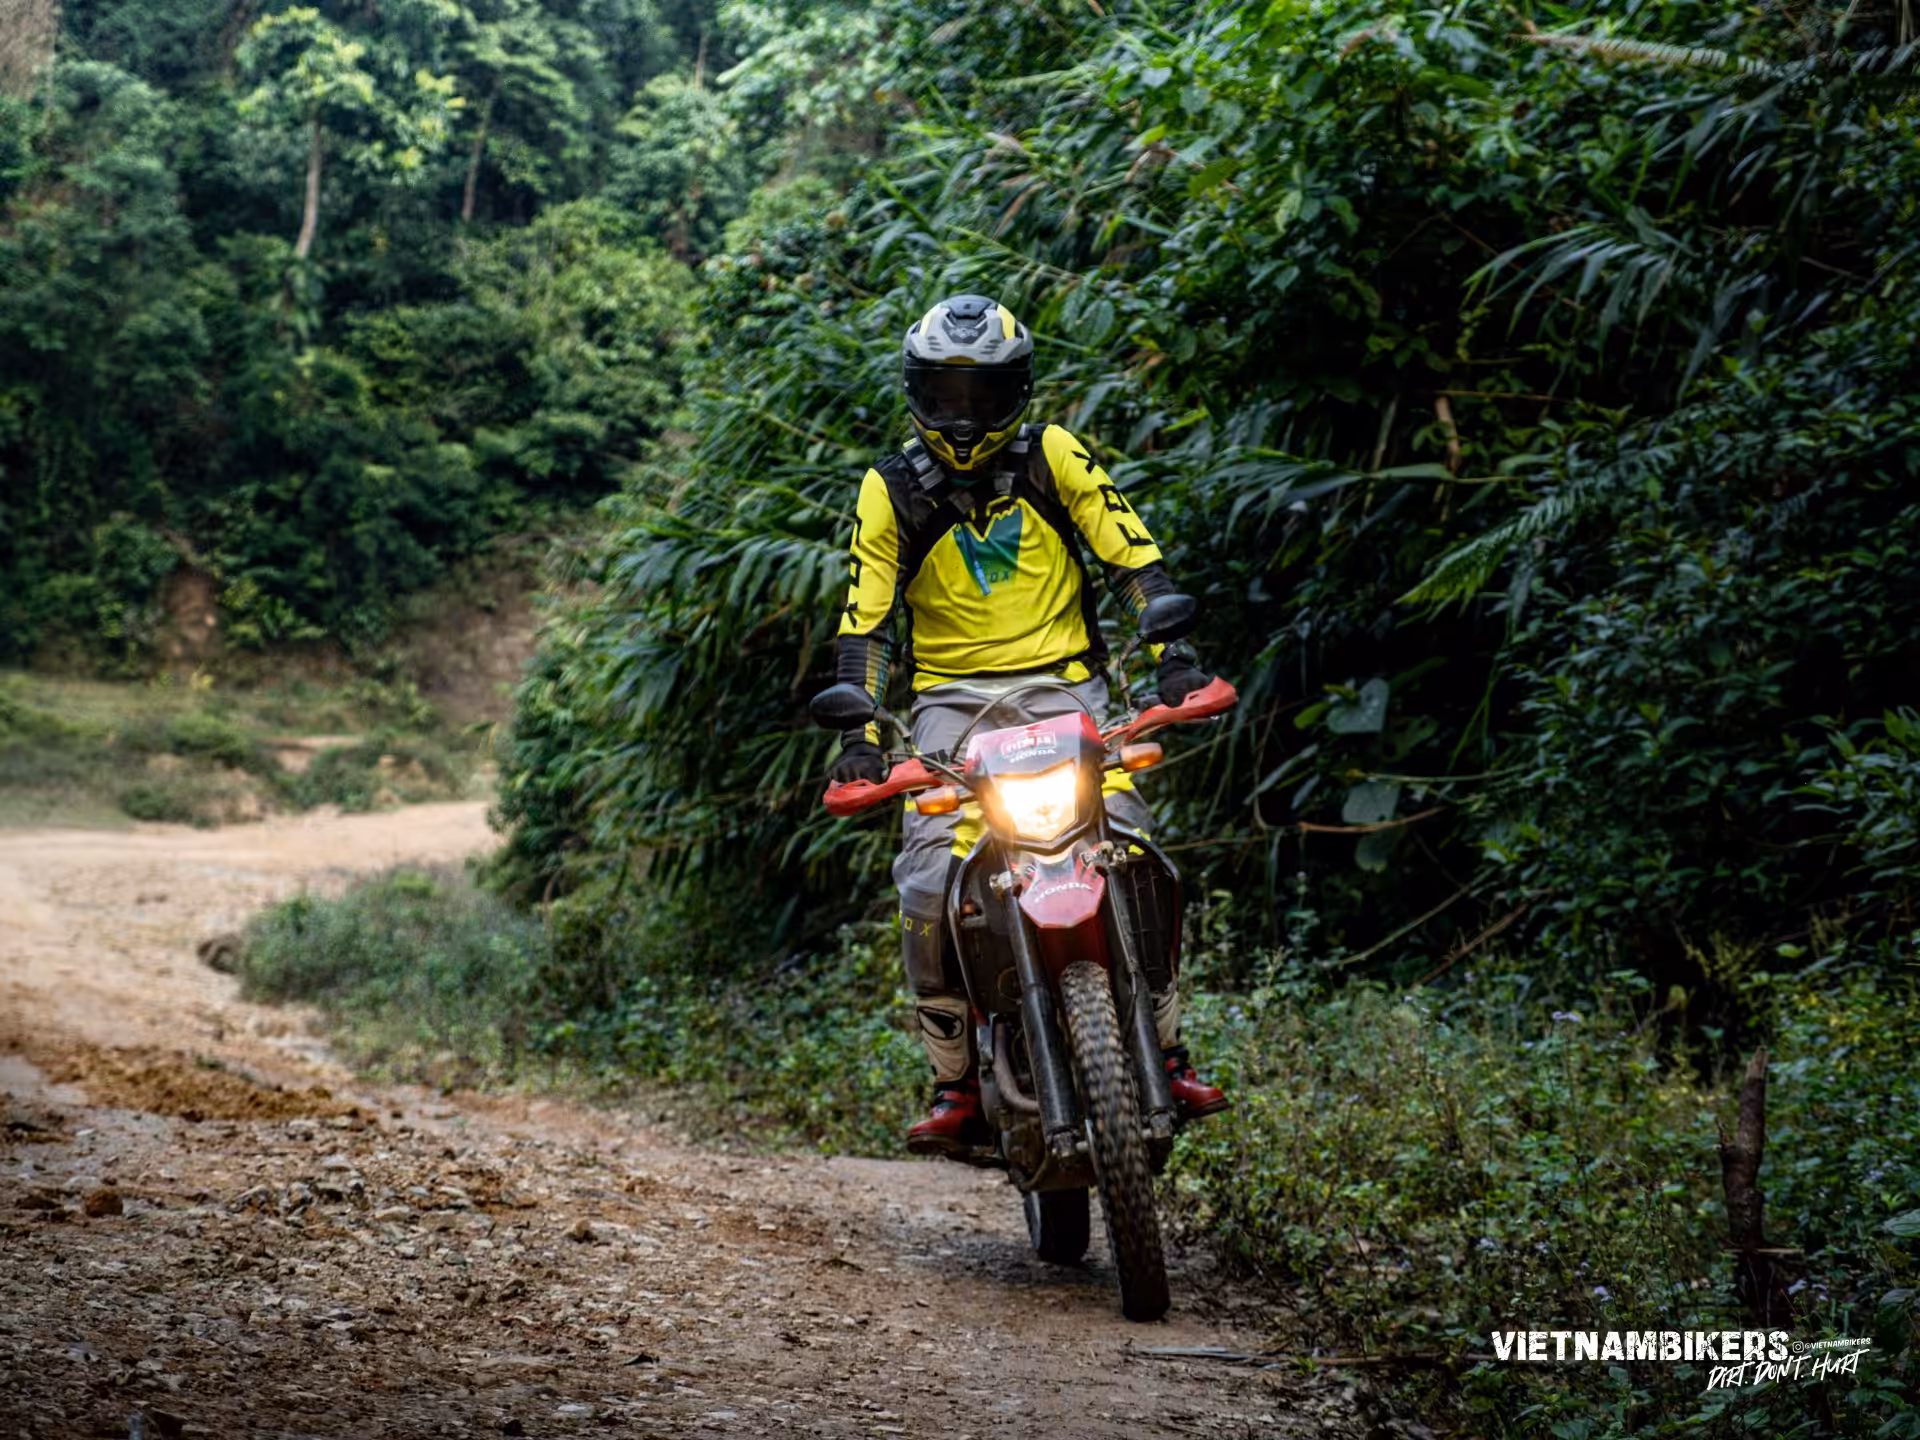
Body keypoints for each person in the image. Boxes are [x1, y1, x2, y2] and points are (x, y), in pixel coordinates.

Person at [829, 293, 1228, 1155]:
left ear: (1020, 390)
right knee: (927, 881)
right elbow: (865, 621)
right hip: (947, 710)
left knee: (1134, 845)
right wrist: (861, 732)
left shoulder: (1055, 453)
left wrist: (1174, 655)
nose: (963, 415)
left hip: (1068, 693)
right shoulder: (888, 488)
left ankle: (1167, 1045)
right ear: (916, 391)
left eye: (983, 395)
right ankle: (955, 1081)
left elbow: (1134, 560)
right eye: (946, 394)